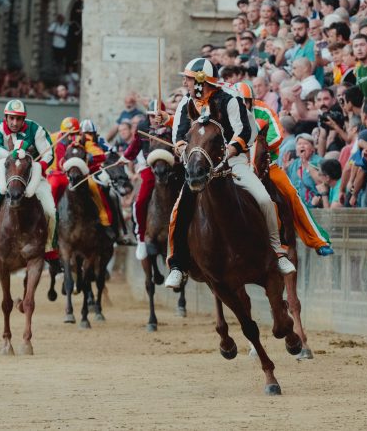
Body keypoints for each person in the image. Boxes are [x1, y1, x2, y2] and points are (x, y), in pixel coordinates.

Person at [164, 58, 295, 289]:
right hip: (198, 165)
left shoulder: (230, 99)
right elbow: (179, 135)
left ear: (200, 81)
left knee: (264, 199)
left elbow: (243, 130)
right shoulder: (186, 102)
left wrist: (227, 155)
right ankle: (178, 265)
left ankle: (277, 251)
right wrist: (186, 150)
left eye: (189, 79)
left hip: (232, 162)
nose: (185, 82)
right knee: (179, 209)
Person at [235, 81, 333, 255]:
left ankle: (318, 240)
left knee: (291, 193)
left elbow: (277, 136)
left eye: (246, 102)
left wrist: (253, 144)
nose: (243, 106)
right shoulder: (227, 115)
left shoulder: (264, 111)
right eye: (238, 102)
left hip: (267, 165)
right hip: (236, 166)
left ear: (252, 101)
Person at [0, 99, 59, 267]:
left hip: (32, 176)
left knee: (51, 211)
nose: (15, 123)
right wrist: (15, 154)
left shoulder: (36, 129)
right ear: (6, 117)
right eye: (11, 118)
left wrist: (37, 166)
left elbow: (48, 154)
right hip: (6, 177)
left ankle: (50, 251)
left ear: (24, 119)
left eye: (19, 119)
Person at [125, 99, 174, 260]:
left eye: (157, 116)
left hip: (171, 166)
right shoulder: (142, 128)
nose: (154, 119)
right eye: (152, 116)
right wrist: (125, 158)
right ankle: (141, 240)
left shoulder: (171, 127)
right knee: (140, 201)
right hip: (149, 166)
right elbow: (134, 147)